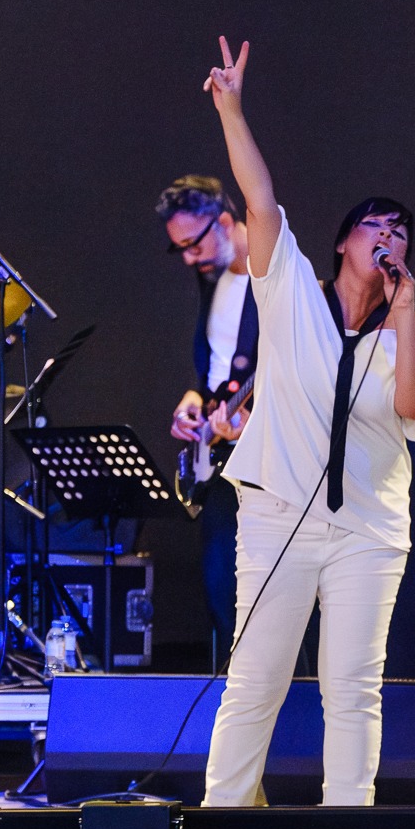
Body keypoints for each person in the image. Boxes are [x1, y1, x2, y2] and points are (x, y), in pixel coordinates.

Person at [199, 37, 415, 807]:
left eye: (401, 231)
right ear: (343, 240)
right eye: (376, 225)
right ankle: (222, 824)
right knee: (257, 679)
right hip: (276, 514)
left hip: (369, 528)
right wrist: (232, 111)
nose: (389, 237)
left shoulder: (414, 331)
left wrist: (404, 319)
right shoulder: (291, 291)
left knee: (352, 688)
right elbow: (260, 205)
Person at [157, 174, 259, 656]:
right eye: (178, 248)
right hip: (222, 458)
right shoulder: (214, 279)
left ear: (224, 222)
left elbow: (296, 373)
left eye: (194, 244)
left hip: (270, 465)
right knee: (221, 589)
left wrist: (253, 420)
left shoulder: (273, 281)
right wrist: (193, 400)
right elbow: (220, 371)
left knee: (264, 599)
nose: (189, 258)